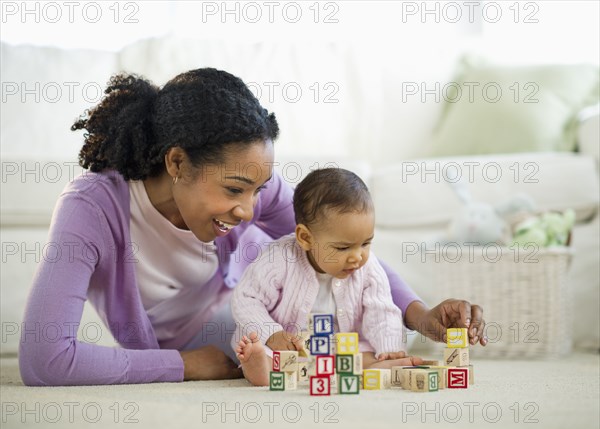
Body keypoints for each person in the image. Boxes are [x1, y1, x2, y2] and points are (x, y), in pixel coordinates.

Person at [18, 68, 486, 387]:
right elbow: (45, 360)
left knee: (348, 333)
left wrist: (421, 315)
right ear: (176, 162)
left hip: (274, 316)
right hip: (212, 338)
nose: (248, 209)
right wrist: (184, 365)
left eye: (259, 191)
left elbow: (342, 247)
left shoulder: (256, 188)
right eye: (235, 189)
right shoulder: (92, 209)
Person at [233, 168, 424, 386]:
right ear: (305, 238)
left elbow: (382, 310)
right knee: (265, 351)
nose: (357, 257)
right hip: (289, 346)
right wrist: (271, 334)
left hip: (340, 348)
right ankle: (260, 368)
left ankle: (377, 365)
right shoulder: (279, 258)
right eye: (343, 248)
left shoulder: (369, 266)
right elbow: (246, 299)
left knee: (366, 352)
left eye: (365, 243)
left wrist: (389, 348)